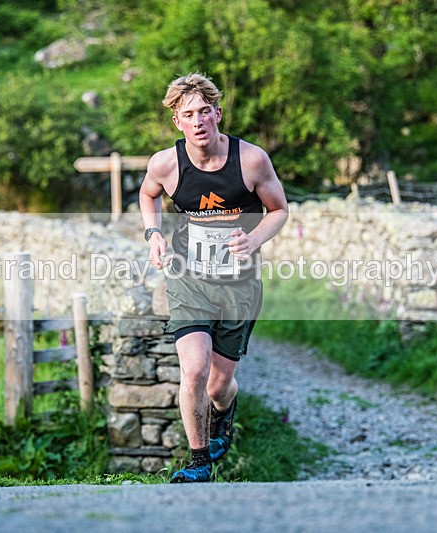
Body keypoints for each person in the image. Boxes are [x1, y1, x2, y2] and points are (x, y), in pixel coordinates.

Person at [139, 73, 289, 483]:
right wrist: (153, 234)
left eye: (205, 111)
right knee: (193, 370)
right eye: (189, 114)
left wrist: (253, 239)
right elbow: (148, 193)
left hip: (239, 283)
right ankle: (199, 461)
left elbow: (278, 210)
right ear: (178, 122)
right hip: (188, 277)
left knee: (219, 384)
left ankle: (224, 414)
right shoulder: (166, 164)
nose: (199, 120)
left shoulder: (251, 160)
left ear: (217, 114)